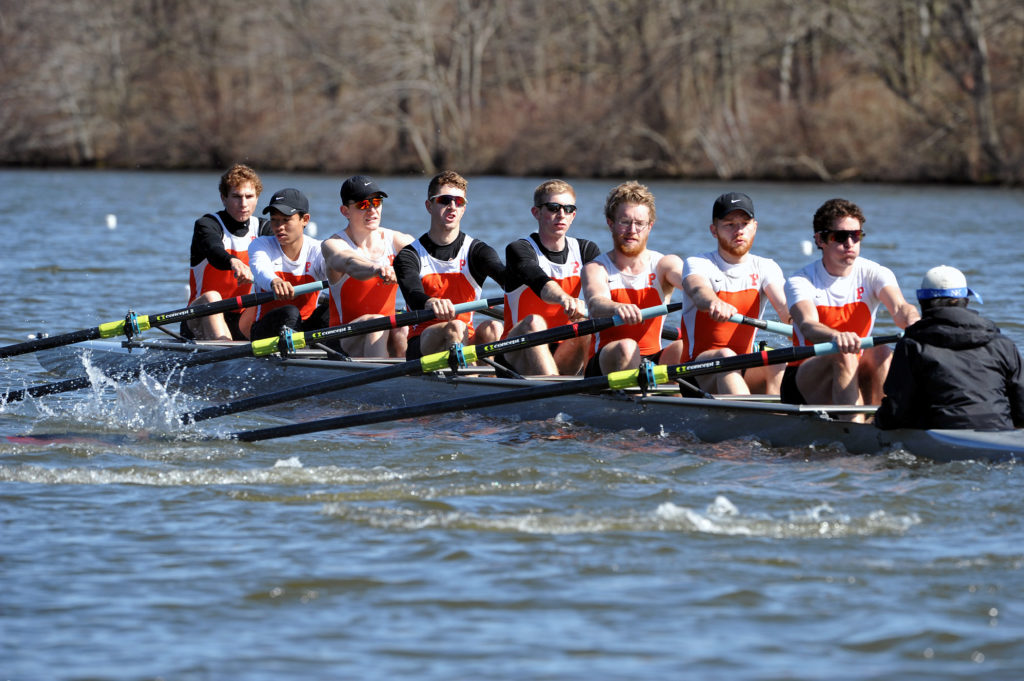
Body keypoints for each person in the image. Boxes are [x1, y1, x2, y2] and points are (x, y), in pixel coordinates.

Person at [782, 198, 919, 419]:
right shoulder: (800, 280)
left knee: (882, 352)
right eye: (840, 236)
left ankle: (884, 421)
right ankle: (855, 430)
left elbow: (900, 307)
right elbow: (808, 325)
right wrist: (837, 336)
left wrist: (915, 322)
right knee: (843, 354)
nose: (849, 243)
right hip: (804, 376)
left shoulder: (875, 273)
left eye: (855, 235)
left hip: (853, 364)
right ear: (820, 240)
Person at [876, 266, 1024, 430]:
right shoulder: (1002, 343)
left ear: (922, 303)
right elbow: (1022, 408)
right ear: (966, 301)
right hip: (1000, 431)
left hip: (941, 434)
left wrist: (878, 421)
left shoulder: (912, 345)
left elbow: (896, 413)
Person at [680, 192, 791, 395]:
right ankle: (748, 419)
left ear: (754, 227)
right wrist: (713, 302)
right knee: (726, 355)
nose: (738, 231)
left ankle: (781, 417)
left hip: (743, 363)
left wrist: (802, 324)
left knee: (778, 358)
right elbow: (698, 290)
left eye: (744, 223)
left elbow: (785, 307)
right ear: (714, 230)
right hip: (696, 371)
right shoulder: (698, 263)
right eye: (729, 224)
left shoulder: (767, 267)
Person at [394, 170, 506, 360]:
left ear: (464, 209)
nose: (452, 206)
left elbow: (507, 279)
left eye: (459, 202)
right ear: (429, 206)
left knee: (494, 327)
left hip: (465, 337)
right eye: (444, 200)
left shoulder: (477, 251)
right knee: (455, 326)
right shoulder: (409, 255)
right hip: (422, 341)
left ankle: (489, 380)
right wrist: (431, 302)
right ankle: (470, 381)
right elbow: (413, 295)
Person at [581, 181, 686, 376]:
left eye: (639, 223)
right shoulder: (596, 268)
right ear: (610, 223)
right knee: (628, 347)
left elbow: (690, 282)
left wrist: (705, 295)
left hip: (651, 361)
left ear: (650, 226)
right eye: (625, 222)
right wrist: (618, 307)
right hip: (606, 361)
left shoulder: (665, 264)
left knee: (683, 347)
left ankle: (679, 400)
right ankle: (638, 402)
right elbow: (596, 303)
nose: (632, 230)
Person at [501, 179, 601, 376]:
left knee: (587, 324)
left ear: (574, 215)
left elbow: (603, 292)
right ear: (536, 213)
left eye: (568, 208)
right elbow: (539, 280)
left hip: (564, 350)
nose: (561, 215)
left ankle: (595, 389)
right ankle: (553, 388)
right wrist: (564, 298)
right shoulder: (519, 249)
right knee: (534, 322)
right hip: (516, 351)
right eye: (553, 208)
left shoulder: (586, 250)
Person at [321, 175, 414, 358]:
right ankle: (382, 384)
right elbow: (349, 262)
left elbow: (432, 263)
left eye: (377, 202)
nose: (372, 210)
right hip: (342, 339)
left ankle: (409, 380)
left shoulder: (398, 241)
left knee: (403, 327)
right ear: (345, 211)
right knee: (376, 322)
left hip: (385, 330)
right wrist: (377, 269)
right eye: (363, 204)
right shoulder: (333, 245)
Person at [185, 163, 271, 340]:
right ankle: (225, 352)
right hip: (201, 316)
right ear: (223, 198)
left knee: (271, 298)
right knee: (212, 297)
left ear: (257, 198)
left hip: (244, 318)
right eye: (236, 197)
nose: (243, 204)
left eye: (249, 196)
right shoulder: (207, 225)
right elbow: (214, 250)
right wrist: (234, 262)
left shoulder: (265, 229)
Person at [245, 188, 329, 341]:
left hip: (306, 327)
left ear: (305, 220)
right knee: (290, 312)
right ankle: (300, 358)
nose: (279, 226)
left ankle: (338, 358)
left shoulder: (318, 249)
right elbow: (260, 268)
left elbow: (332, 270)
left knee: (330, 311)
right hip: (266, 331)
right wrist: (274, 281)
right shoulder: (261, 244)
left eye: (286, 220)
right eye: (274, 220)